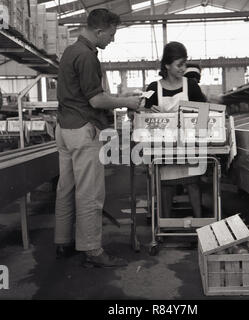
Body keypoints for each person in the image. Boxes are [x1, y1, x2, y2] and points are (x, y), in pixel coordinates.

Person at [55, 9, 142, 267]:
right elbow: (96, 99)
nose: (112, 40)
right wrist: (128, 101)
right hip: (83, 130)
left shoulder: (70, 52)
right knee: (89, 193)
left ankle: (63, 242)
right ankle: (92, 251)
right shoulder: (87, 56)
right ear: (100, 31)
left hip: (64, 129)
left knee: (66, 189)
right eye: (112, 34)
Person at [145, 42, 208, 218]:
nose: (183, 68)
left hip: (189, 146)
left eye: (184, 64)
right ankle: (163, 226)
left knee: (193, 183)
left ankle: (199, 222)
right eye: (179, 64)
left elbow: (204, 113)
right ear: (167, 65)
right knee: (165, 184)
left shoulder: (191, 86)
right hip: (163, 149)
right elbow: (139, 112)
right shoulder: (153, 88)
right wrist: (148, 112)